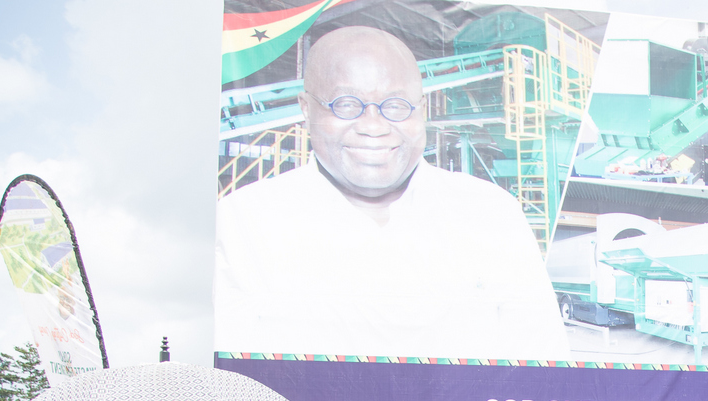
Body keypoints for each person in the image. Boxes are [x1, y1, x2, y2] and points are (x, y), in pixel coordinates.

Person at [214, 25, 568, 362]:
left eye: (396, 105)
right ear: (306, 108)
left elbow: (543, 370)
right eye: (346, 104)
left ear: (422, 109)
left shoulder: (490, 215)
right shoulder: (244, 221)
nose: (373, 126)